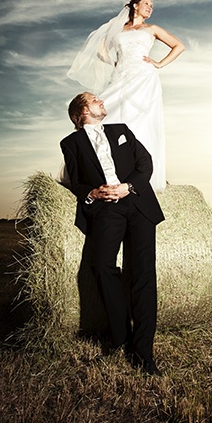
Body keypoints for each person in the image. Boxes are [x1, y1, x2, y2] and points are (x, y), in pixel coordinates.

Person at [60, 92, 165, 375]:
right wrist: (92, 193)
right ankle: (120, 337)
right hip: (107, 209)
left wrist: (128, 187)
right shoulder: (70, 143)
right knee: (103, 266)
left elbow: (146, 163)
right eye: (94, 100)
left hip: (138, 203)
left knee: (143, 273)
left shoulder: (121, 131)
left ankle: (143, 352)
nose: (101, 101)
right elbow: (76, 181)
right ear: (81, 112)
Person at [67, 0, 184, 192]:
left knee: (141, 119)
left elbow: (179, 46)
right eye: (146, 4)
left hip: (144, 77)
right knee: (108, 113)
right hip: (121, 77)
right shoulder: (118, 29)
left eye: (152, 5)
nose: (150, 8)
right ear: (135, 6)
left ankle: (139, 173)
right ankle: (96, 165)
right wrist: (116, 64)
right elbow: (101, 49)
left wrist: (159, 63)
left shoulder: (152, 29)